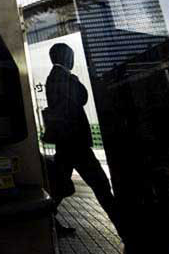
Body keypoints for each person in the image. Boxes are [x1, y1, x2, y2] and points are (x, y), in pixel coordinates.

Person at [46, 43, 119, 237]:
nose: (73, 60)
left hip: (66, 144)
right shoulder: (62, 77)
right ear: (65, 57)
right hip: (75, 144)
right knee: (101, 185)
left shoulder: (55, 77)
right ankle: (125, 229)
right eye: (71, 55)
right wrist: (75, 79)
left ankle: (49, 222)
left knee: (59, 187)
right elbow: (82, 97)